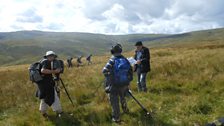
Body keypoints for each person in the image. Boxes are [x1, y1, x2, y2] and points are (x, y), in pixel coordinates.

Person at [102, 44, 133, 123]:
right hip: (124, 84)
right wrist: (127, 81)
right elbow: (130, 71)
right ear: (120, 51)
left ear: (112, 51)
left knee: (114, 102)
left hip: (114, 85)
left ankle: (117, 118)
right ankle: (125, 110)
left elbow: (104, 71)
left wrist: (109, 76)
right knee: (123, 98)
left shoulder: (112, 60)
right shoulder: (125, 59)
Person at [38, 51, 63, 118]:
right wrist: (54, 71)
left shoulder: (42, 61)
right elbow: (43, 71)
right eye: (50, 56)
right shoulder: (46, 62)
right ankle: (59, 112)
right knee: (54, 97)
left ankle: (43, 112)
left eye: (52, 56)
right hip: (47, 84)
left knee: (44, 97)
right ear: (47, 57)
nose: (52, 57)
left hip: (42, 84)